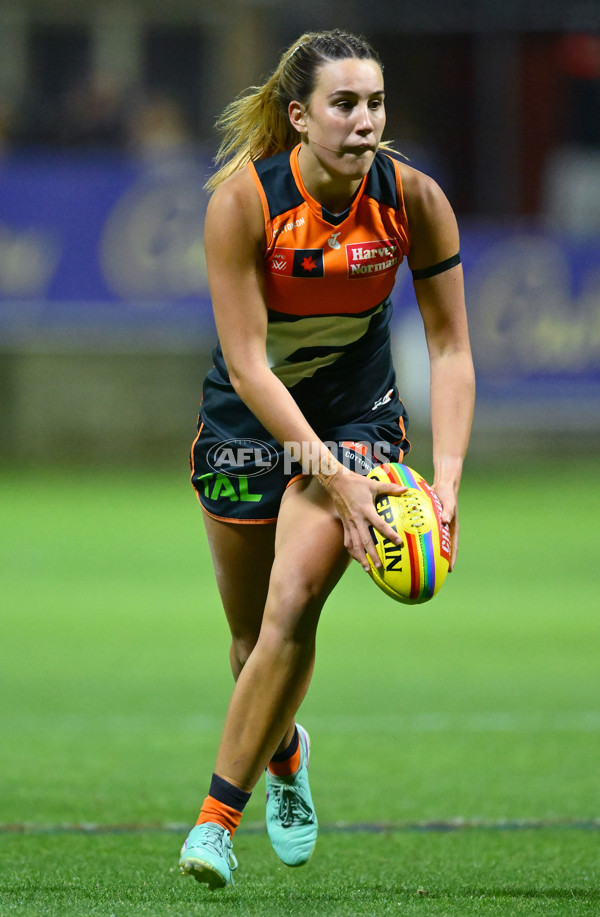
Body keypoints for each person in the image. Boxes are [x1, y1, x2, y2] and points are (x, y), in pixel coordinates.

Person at [179, 29, 475, 889]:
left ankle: (213, 824)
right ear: (301, 117)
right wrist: (323, 468)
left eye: (375, 103)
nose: (365, 121)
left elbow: (450, 347)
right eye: (345, 105)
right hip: (249, 420)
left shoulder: (414, 199)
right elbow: (247, 363)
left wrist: (445, 477)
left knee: (294, 601)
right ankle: (286, 754)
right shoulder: (244, 204)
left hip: (359, 419)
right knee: (247, 641)